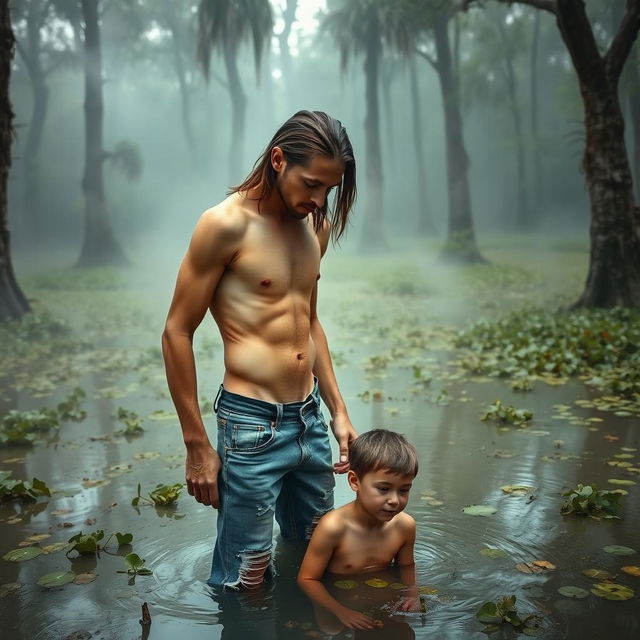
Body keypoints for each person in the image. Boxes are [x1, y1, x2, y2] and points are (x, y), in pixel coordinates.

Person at [162, 110, 358, 589]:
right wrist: (196, 444)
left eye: (328, 190)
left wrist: (339, 412)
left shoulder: (317, 226)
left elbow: (309, 321)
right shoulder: (224, 225)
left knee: (317, 556)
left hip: (308, 420)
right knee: (247, 579)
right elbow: (176, 332)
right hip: (250, 426)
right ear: (277, 160)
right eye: (311, 184)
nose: (317, 200)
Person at [297, 429, 420, 632]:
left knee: (405, 632)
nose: (394, 500)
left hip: (382, 599)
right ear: (355, 482)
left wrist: (411, 594)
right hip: (338, 602)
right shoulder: (333, 527)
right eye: (383, 489)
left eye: (404, 490)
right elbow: (307, 579)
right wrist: (340, 611)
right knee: (331, 630)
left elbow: (406, 566)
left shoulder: (404, 525)